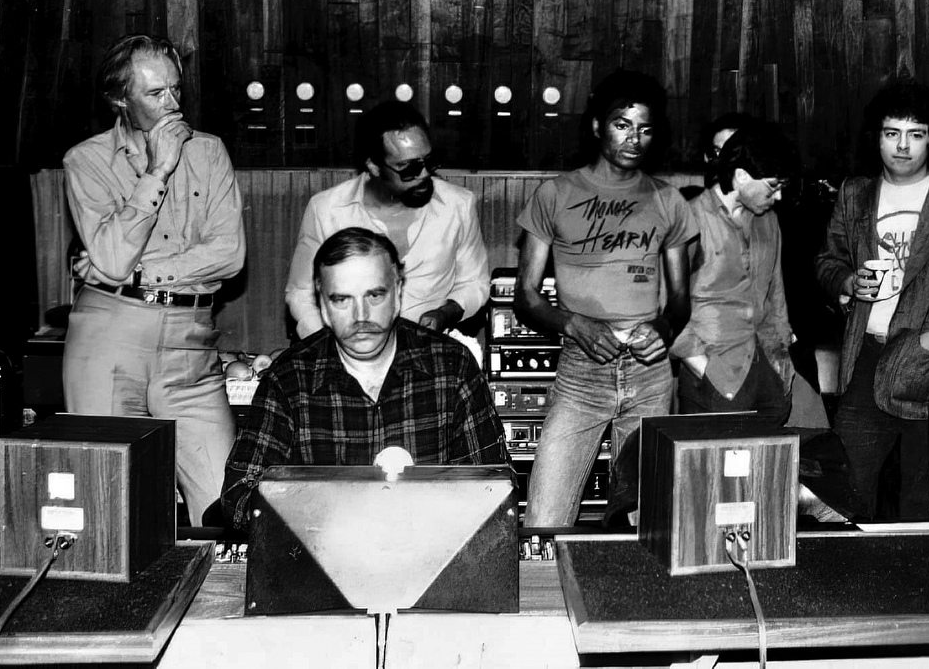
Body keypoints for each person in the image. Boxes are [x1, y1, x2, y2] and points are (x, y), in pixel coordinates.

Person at [62, 34, 245, 526]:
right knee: (112, 514)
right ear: (120, 99)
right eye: (155, 94)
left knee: (226, 507)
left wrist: (144, 271)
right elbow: (112, 258)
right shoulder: (86, 161)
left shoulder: (209, 152)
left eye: (176, 90)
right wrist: (159, 169)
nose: (172, 105)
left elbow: (229, 254)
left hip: (191, 343)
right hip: (109, 340)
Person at [222, 227, 510, 530]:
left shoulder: (453, 368)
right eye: (342, 299)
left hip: (433, 559)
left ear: (398, 293)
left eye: (375, 295)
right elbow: (239, 497)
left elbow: (494, 490)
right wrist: (338, 510)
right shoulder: (288, 379)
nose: (361, 315)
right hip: (320, 561)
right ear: (322, 305)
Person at [514, 69, 697, 528]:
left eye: (646, 128)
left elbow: (679, 301)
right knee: (543, 519)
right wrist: (575, 325)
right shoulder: (554, 195)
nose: (634, 138)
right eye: (622, 124)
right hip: (580, 373)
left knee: (649, 526)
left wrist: (663, 328)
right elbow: (527, 298)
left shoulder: (669, 200)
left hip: (651, 374)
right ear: (598, 126)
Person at [814, 78, 929, 520]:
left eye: (915, 134)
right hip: (865, 356)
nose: (902, 147)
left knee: (922, 501)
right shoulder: (854, 192)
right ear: (876, 138)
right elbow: (828, 259)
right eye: (892, 133)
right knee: (844, 491)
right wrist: (845, 283)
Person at [285, 101, 489, 338]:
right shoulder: (327, 210)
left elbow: (476, 283)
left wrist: (446, 313)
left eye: (429, 162)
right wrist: (328, 350)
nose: (424, 175)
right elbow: (301, 293)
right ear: (373, 166)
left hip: (430, 352)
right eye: (408, 168)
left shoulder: (459, 205)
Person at [671, 119, 797, 421]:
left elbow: (775, 292)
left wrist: (781, 359)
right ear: (741, 176)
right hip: (713, 375)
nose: (778, 197)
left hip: (765, 369)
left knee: (769, 464)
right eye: (772, 186)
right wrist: (701, 365)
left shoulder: (768, 220)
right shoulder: (689, 218)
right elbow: (664, 302)